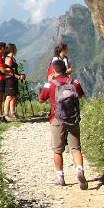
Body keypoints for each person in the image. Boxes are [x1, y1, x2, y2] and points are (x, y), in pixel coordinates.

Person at [38, 59, 87, 189]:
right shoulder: (74, 82)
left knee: (57, 150)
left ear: (54, 71)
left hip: (56, 119)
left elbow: (41, 100)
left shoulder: (50, 85)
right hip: (72, 118)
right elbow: (80, 95)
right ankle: (79, 169)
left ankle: (60, 176)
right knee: (76, 148)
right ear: (66, 70)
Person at [3, 43, 26, 121]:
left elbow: (14, 71)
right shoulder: (9, 59)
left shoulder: (12, 58)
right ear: (12, 49)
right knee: (9, 97)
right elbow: (8, 72)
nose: (16, 50)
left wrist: (20, 75)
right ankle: (6, 114)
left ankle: (12, 113)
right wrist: (18, 76)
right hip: (9, 80)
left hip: (13, 80)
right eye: (15, 48)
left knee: (14, 96)